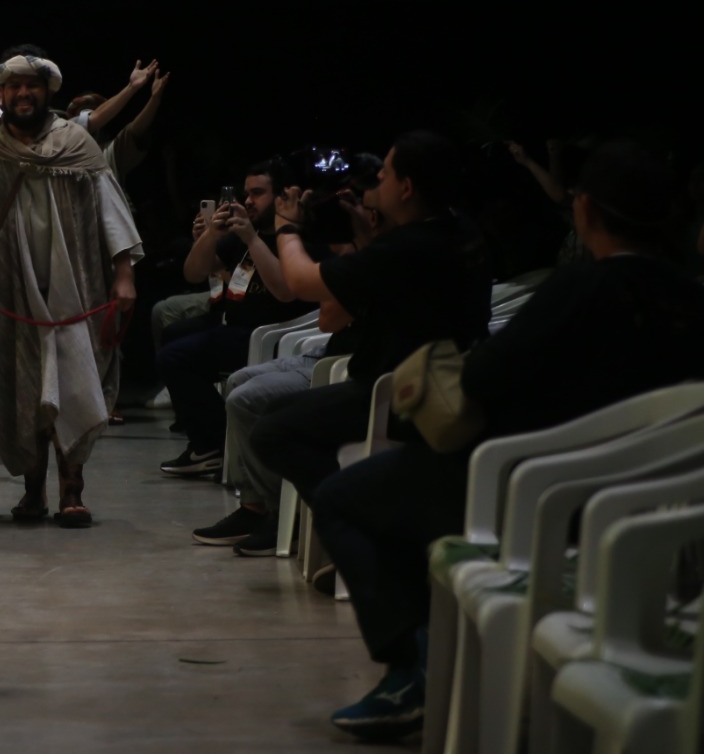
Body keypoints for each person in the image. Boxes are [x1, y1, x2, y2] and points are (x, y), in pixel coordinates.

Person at [311, 140, 704, 740]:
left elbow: (484, 379)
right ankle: (430, 645)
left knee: (347, 499)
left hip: (535, 496)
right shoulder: (688, 301)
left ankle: (412, 667)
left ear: (585, 210)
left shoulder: (582, 288)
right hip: (643, 514)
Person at [248, 131, 492, 522]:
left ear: (407, 188)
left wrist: (287, 227)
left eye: (386, 175)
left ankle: (357, 517)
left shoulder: (407, 247)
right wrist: (367, 234)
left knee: (272, 432)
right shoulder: (459, 229)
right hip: (439, 380)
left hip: (402, 395)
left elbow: (301, 281)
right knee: (279, 413)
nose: (377, 179)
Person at [0, 51, 141, 527]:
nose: (22, 94)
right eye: (13, 86)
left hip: (72, 289)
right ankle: (33, 489)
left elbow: (110, 209)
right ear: (0, 93)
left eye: (31, 85)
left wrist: (124, 273)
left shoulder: (75, 141)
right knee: (22, 389)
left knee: (75, 384)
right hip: (8, 292)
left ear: (47, 91)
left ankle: (72, 489)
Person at [159, 160, 311, 476]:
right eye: (246, 194)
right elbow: (193, 273)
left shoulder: (292, 236)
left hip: (271, 335)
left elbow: (285, 292)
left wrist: (253, 240)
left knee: (176, 357)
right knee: (173, 332)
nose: (248, 201)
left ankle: (212, 444)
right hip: (233, 323)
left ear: (282, 196)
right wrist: (210, 236)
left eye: (258, 193)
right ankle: (205, 437)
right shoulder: (242, 232)